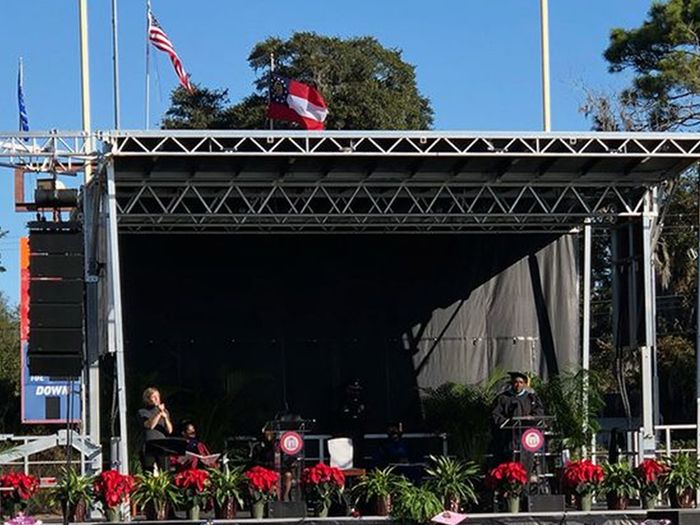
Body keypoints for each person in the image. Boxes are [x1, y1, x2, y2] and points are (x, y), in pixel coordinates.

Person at [491, 371, 544, 464]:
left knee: (527, 461)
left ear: (524, 384)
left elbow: (539, 412)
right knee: (509, 459)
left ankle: (526, 477)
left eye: (521, 382)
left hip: (527, 435)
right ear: (512, 383)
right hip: (508, 437)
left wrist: (532, 418)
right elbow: (496, 414)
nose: (518, 385)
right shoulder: (503, 398)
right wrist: (507, 421)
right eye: (516, 382)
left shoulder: (531, 398)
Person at [137, 387, 174, 473]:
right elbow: (150, 426)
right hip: (149, 444)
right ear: (148, 399)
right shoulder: (143, 412)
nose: (157, 399)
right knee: (148, 471)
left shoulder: (165, 412)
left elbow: (170, 430)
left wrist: (165, 418)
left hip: (162, 445)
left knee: (165, 471)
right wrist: (158, 413)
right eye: (154, 397)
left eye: (158, 396)